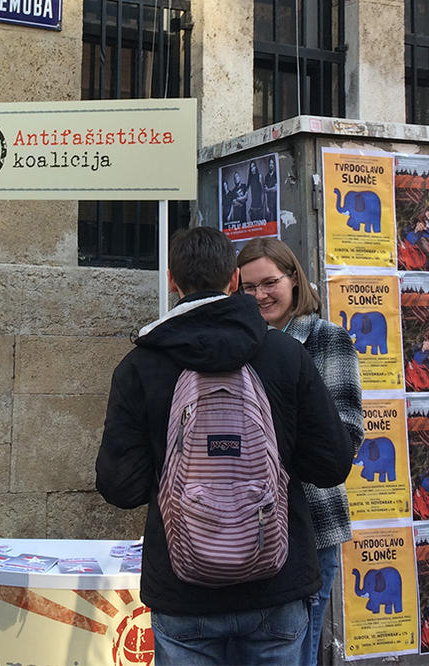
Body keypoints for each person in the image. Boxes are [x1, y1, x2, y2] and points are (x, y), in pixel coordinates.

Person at [95, 226, 354, 665]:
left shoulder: (141, 364)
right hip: (278, 580)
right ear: (235, 281)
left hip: (183, 588)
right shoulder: (286, 355)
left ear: (172, 280)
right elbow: (332, 463)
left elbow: (120, 487)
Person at [237, 237, 363, 665]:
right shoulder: (238, 341)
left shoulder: (327, 339)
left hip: (312, 519)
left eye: (269, 282)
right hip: (244, 524)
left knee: (300, 650)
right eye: (247, 288)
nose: (259, 296)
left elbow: (348, 435)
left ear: (294, 278)